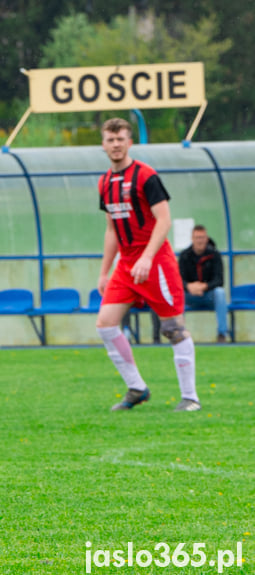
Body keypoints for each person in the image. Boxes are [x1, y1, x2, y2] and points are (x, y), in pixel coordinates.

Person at [95, 117, 200, 412]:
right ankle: (137, 388)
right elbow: (112, 230)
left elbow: (164, 220)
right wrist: (104, 271)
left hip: (156, 261)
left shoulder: (145, 176)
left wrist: (147, 257)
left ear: (130, 142)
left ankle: (190, 397)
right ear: (103, 145)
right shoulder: (104, 182)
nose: (116, 144)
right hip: (127, 264)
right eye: (110, 139)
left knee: (173, 328)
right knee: (105, 324)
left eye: (121, 139)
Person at [179, 225, 228, 342]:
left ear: (207, 238)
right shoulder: (185, 255)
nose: (200, 240)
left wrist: (205, 286)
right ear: (192, 238)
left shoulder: (214, 255)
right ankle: (179, 333)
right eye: (197, 237)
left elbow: (219, 280)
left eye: (202, 237)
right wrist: (189, 286)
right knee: (177, 294)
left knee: (220, 293)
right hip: (190, 296)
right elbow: (178, 280)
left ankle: (222, 334)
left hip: (208, 295)